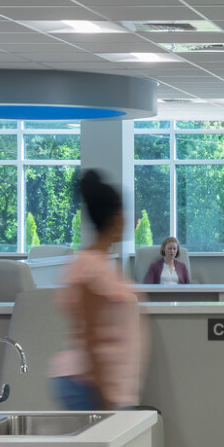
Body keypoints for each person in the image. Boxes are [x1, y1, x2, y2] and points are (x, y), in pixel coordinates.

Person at [51, 170, 145, 411]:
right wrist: (103, 401)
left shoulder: (104, 265)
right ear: (115, 218)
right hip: (92, 387)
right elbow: (91, 337)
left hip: (114, 388)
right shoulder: (88, 268)